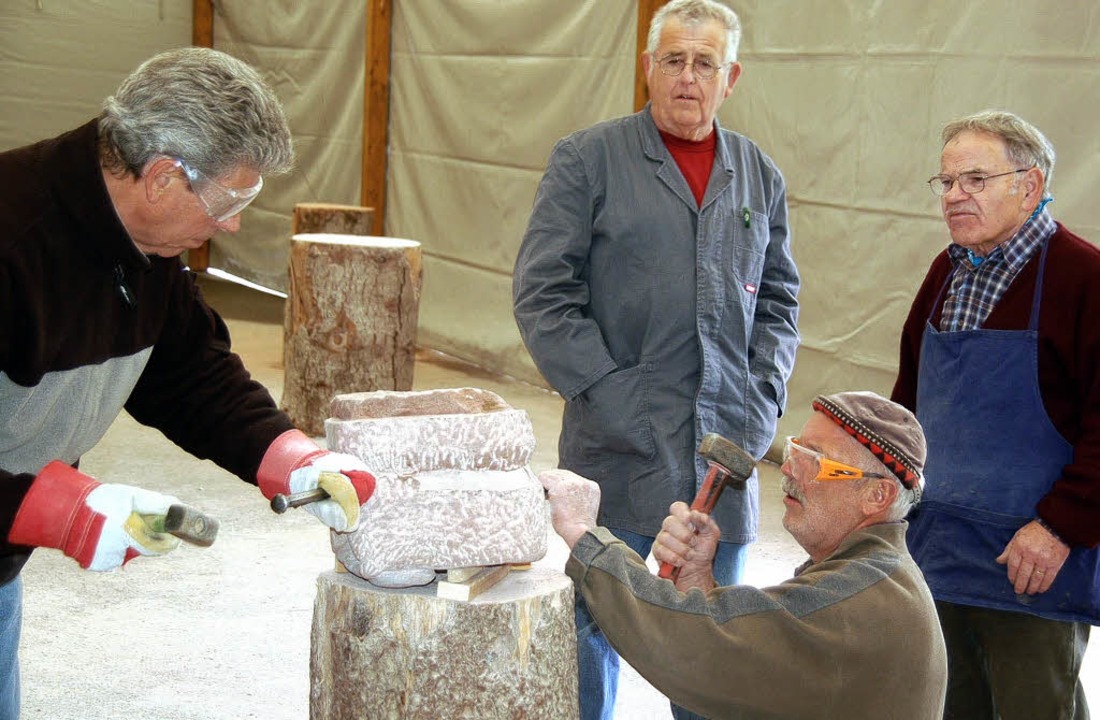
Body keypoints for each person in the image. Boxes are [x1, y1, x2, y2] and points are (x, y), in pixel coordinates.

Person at [0, 48, 377, 720]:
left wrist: (288, 457)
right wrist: (56, 509)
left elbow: (187, 370)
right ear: (164, 178)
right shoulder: (13, 238)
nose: (231, 224)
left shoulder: (146, 251)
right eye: (230, 200)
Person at [512, 1, 799, 716]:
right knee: (592, 629)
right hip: (614, 451)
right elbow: (543, 295)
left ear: (730, 77)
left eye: (704, 63)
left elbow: (779, 304)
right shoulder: (590, 158)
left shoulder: (758, 174)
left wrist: (761, 406)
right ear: (648, 69)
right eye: (673, 60)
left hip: (721, 462)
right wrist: (613, 397)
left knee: (711, 646)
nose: (687, 77)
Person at [541, 391, 947, 718]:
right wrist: (697, 582)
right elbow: (723, 683)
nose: (788, 470)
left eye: (816, 461)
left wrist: (584, 534)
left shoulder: (855, 600)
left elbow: (694, 644)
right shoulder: (877, 573)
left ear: (877, 495)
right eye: (795, 451)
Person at [892, 109, 1100, 719]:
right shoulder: (946, 272)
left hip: (1033, 561)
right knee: (949, 706)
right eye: (947, 182)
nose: (955, 197)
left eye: (975, 181)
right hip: (940, 549)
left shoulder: (1083, 279)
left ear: (1029, 186)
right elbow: (909, 400)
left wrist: (1060, 527)